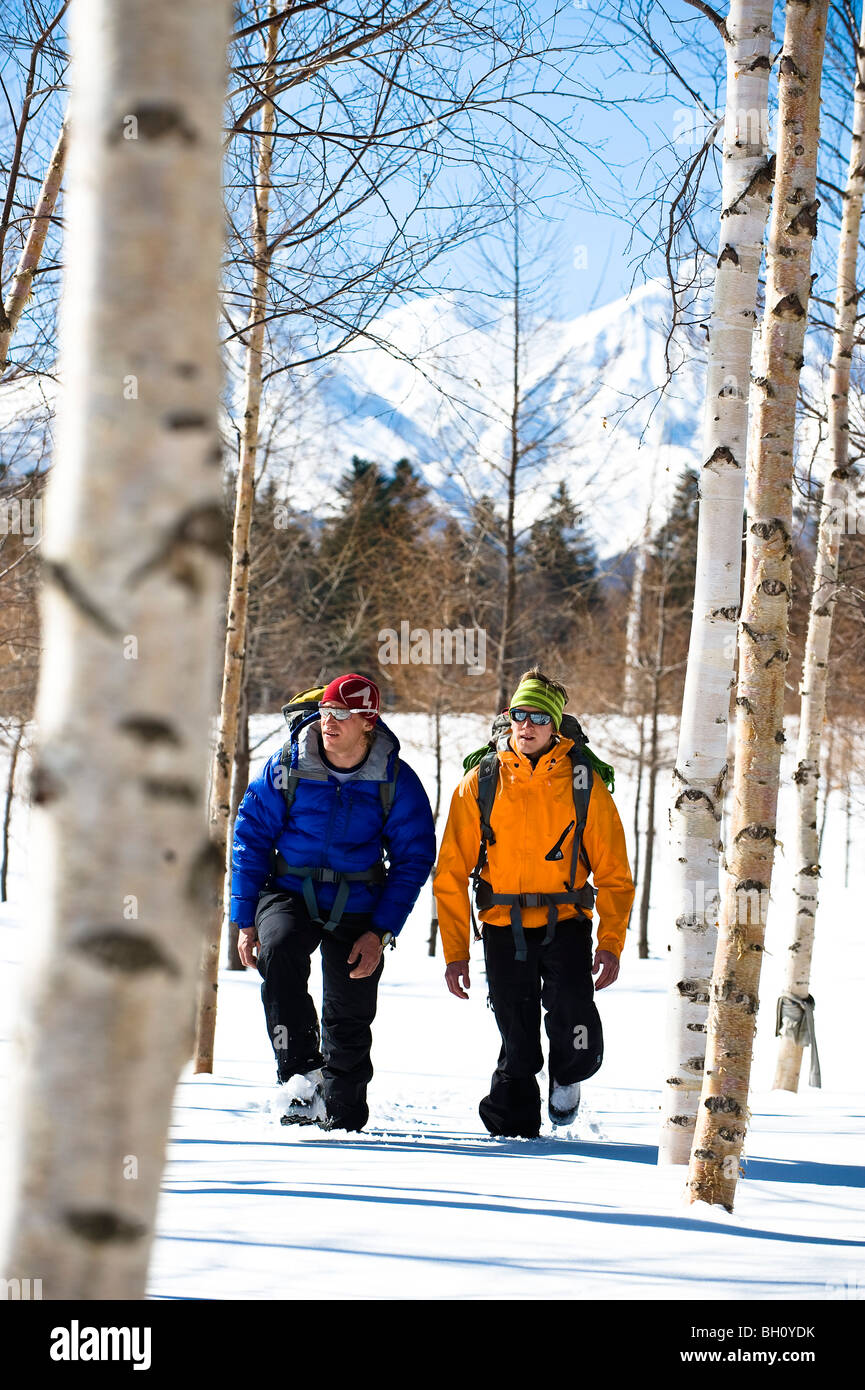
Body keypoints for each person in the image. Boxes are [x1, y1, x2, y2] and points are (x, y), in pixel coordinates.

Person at [433, 666, 634, 1139]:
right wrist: (456, 953)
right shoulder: (480, 782)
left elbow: (615, 875)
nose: (528, 726)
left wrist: (611, 943)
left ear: (555, 725)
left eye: (539, 718)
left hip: (566, 919)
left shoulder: (584, 783)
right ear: (509, 718)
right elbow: (450, 874)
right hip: (502, 923)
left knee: (571, 1010)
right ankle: (513, 1127)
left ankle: (569, 1073)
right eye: (520, 715)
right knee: (515, 1028)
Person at [231, 673, 436, 1133]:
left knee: (349, 1014)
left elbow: (414, 856)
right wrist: (245, 920)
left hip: (359, 901)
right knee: (280, 953)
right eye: (325, 711)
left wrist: (380, 931)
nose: (329, 721)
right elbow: (250, 838)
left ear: (368, 722)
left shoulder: (395, 779)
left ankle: (342, 1114)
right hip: (288, 890)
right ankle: (301, 1079)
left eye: (342, 713)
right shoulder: (286, 766)